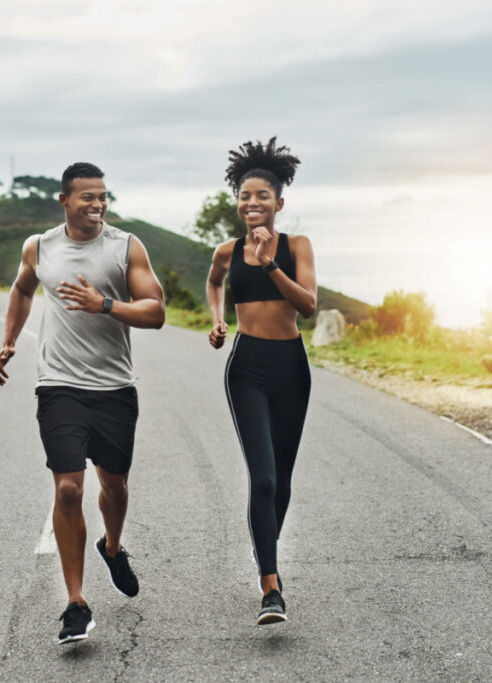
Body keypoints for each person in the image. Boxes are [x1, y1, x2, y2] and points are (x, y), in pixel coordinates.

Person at [0, 162, 166, 644]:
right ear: (65, 201)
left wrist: (105, 305)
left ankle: (112, 546)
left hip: (113, 389)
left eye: (103, 197)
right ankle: (75, 602)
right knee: (68, 489)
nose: (98, 205)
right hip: (59, 386)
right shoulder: (39, 246)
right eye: (87, 197)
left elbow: (156, 312)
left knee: (114, 486)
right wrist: (9, 341)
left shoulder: (125, 246)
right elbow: (22, 289)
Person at [205, 138, 317, 625]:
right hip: (246, 366)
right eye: (245, 196)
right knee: (264, 477)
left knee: (284, 483)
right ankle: (271, 586)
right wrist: (217, 318)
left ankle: (263, 552)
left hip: (291, 366)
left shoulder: (297, 247)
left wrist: (271, 264)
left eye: (262, 197)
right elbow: (214, 283)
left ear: (279, 203)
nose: (252, 203)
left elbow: (308, 307)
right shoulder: (226, 251)